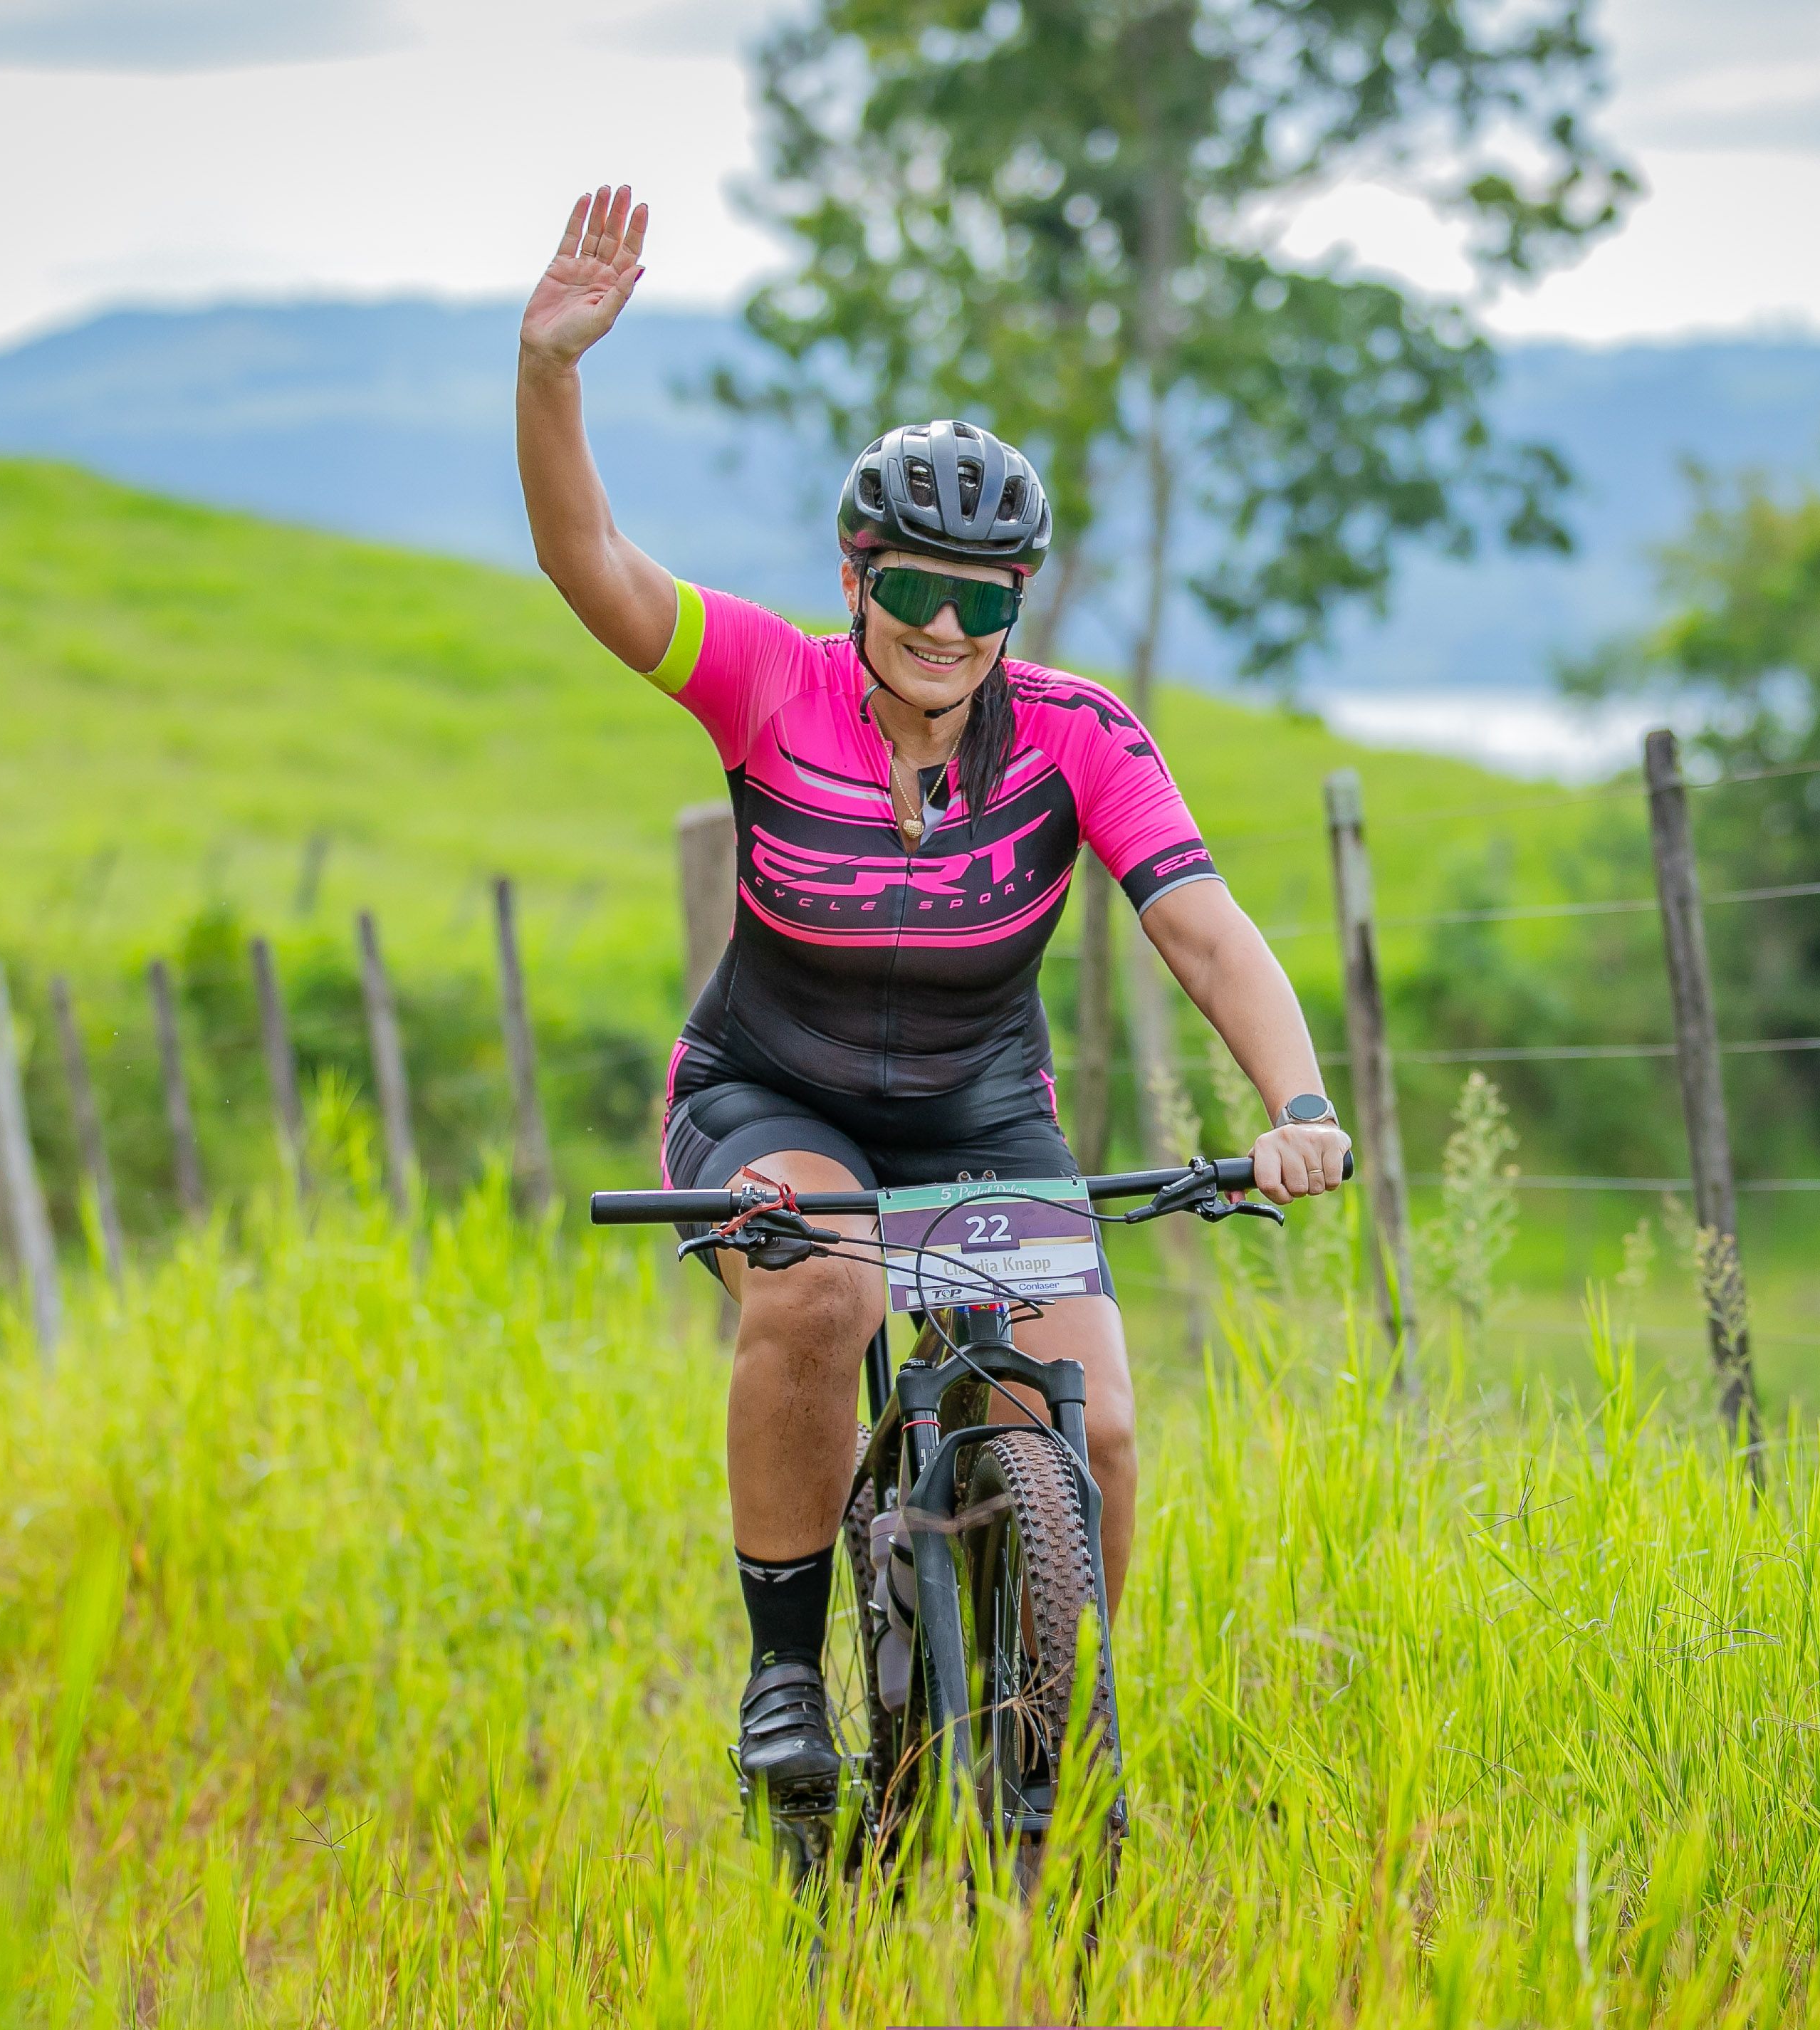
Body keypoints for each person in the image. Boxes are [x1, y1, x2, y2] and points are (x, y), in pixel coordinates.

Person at [516, 185, 1351, 1802]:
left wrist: (1297, 1102)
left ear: (1018, 605)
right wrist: (551, 370)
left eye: (986, 600)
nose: (947, 629)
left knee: (1101, 1432)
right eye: (915, 590)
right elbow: (586, 558)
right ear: (857, 580)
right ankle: (784, 1677)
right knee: (824, 1296)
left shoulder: (1078, 733)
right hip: (771, 1095)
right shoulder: (771, 684)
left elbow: (1199, 925)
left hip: (979, 1116)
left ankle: (1052, 1739)